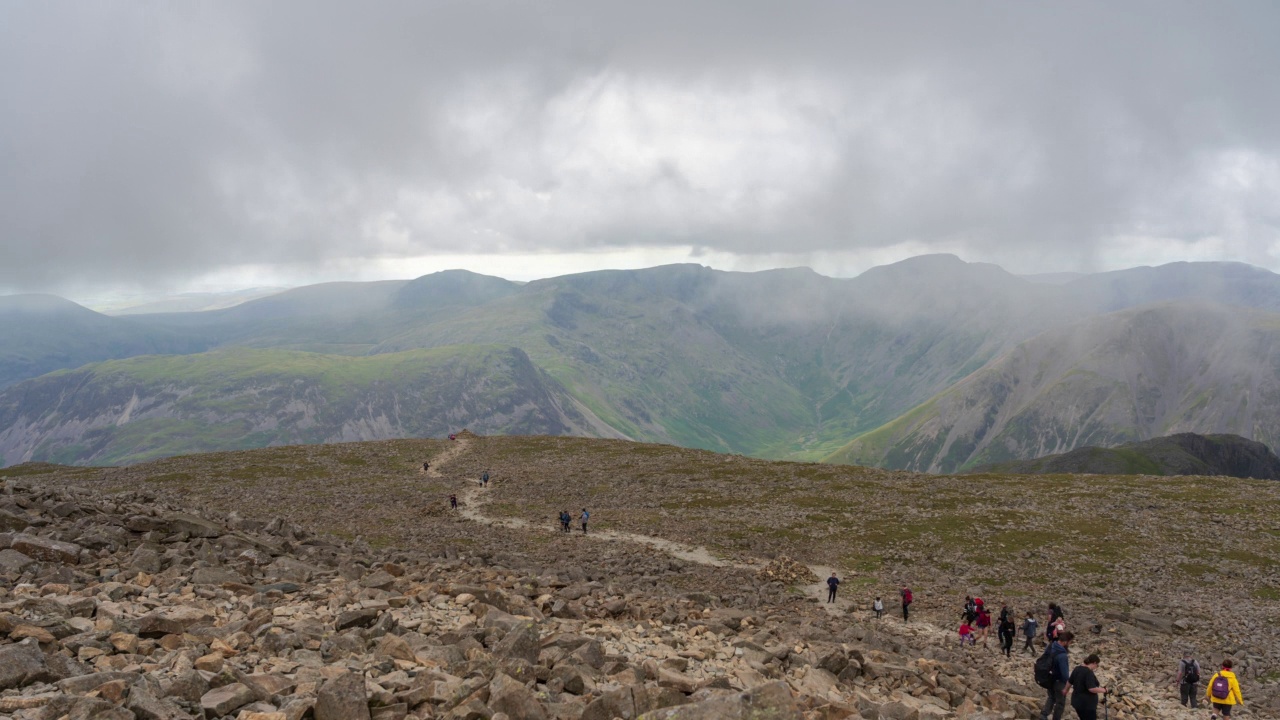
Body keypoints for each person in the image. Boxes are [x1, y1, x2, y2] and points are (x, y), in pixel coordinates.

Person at [1038, 630, 1073, 720]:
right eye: (1070, 642)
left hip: (1049, 677)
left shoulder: (1051, 646)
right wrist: (1068, 685)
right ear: (1065, 642)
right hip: (1059, 681)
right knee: (1060, 703)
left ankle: (1044, 715)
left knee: (1051, 697)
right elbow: (1064, 674)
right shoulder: (1062, 655)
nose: (1070, 644)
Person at [1068, 653, 1107, 720]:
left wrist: (1065, 690)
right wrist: (1104, 690)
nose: (1096, 667)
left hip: (1076, 702)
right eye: (1097, 665)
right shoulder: (1088, 672)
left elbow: (1069, 682)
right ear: (1094, 663)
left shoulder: (1077, 669)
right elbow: (1091, 688)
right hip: (1086, 704)